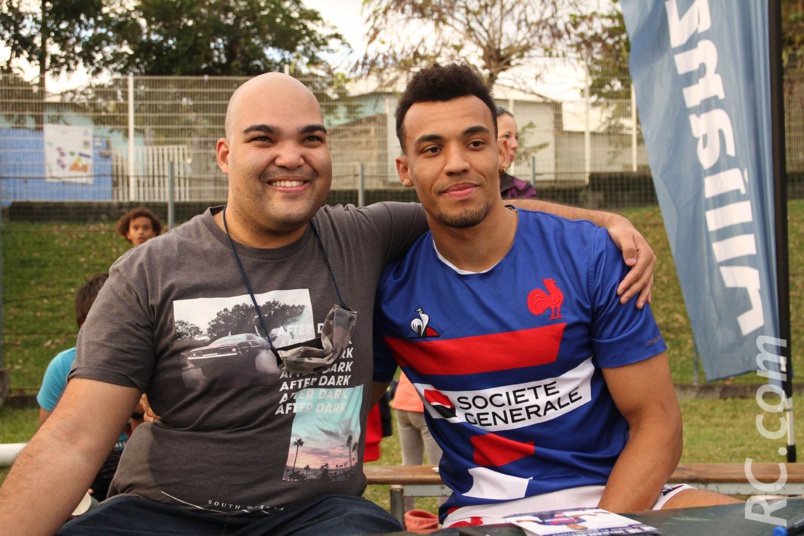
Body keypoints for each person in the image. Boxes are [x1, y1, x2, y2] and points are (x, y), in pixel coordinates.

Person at [0, 72, 656, 536]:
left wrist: (600, 221)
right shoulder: (148, 272)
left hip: (318, 512)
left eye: (310, 138)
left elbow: (468, 200)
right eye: (264, 139)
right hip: (166, 510)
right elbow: (72, 439)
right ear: (224, 155)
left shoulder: (362, 235)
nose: (292, 156)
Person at [372, 63, 741, 528]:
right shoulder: (389, 289)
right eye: (432, 149)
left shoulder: (590, 255)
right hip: (489, 517)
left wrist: (598, 526)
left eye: (475, 142)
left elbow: (657, 421)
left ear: (500, 154)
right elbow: (334, 426)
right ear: (405, 170)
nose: (457, 162)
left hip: (620, 497)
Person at [36, 273, 128, 502]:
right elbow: (47, 437)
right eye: (102, 320)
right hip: (88, 463)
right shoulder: (62, 366)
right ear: (82, 326)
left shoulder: (151, 362)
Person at [496, 106, 537, 200]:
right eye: (506, 136)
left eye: (516, 137)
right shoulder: (464, 188)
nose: (515, 145)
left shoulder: (522, 191)